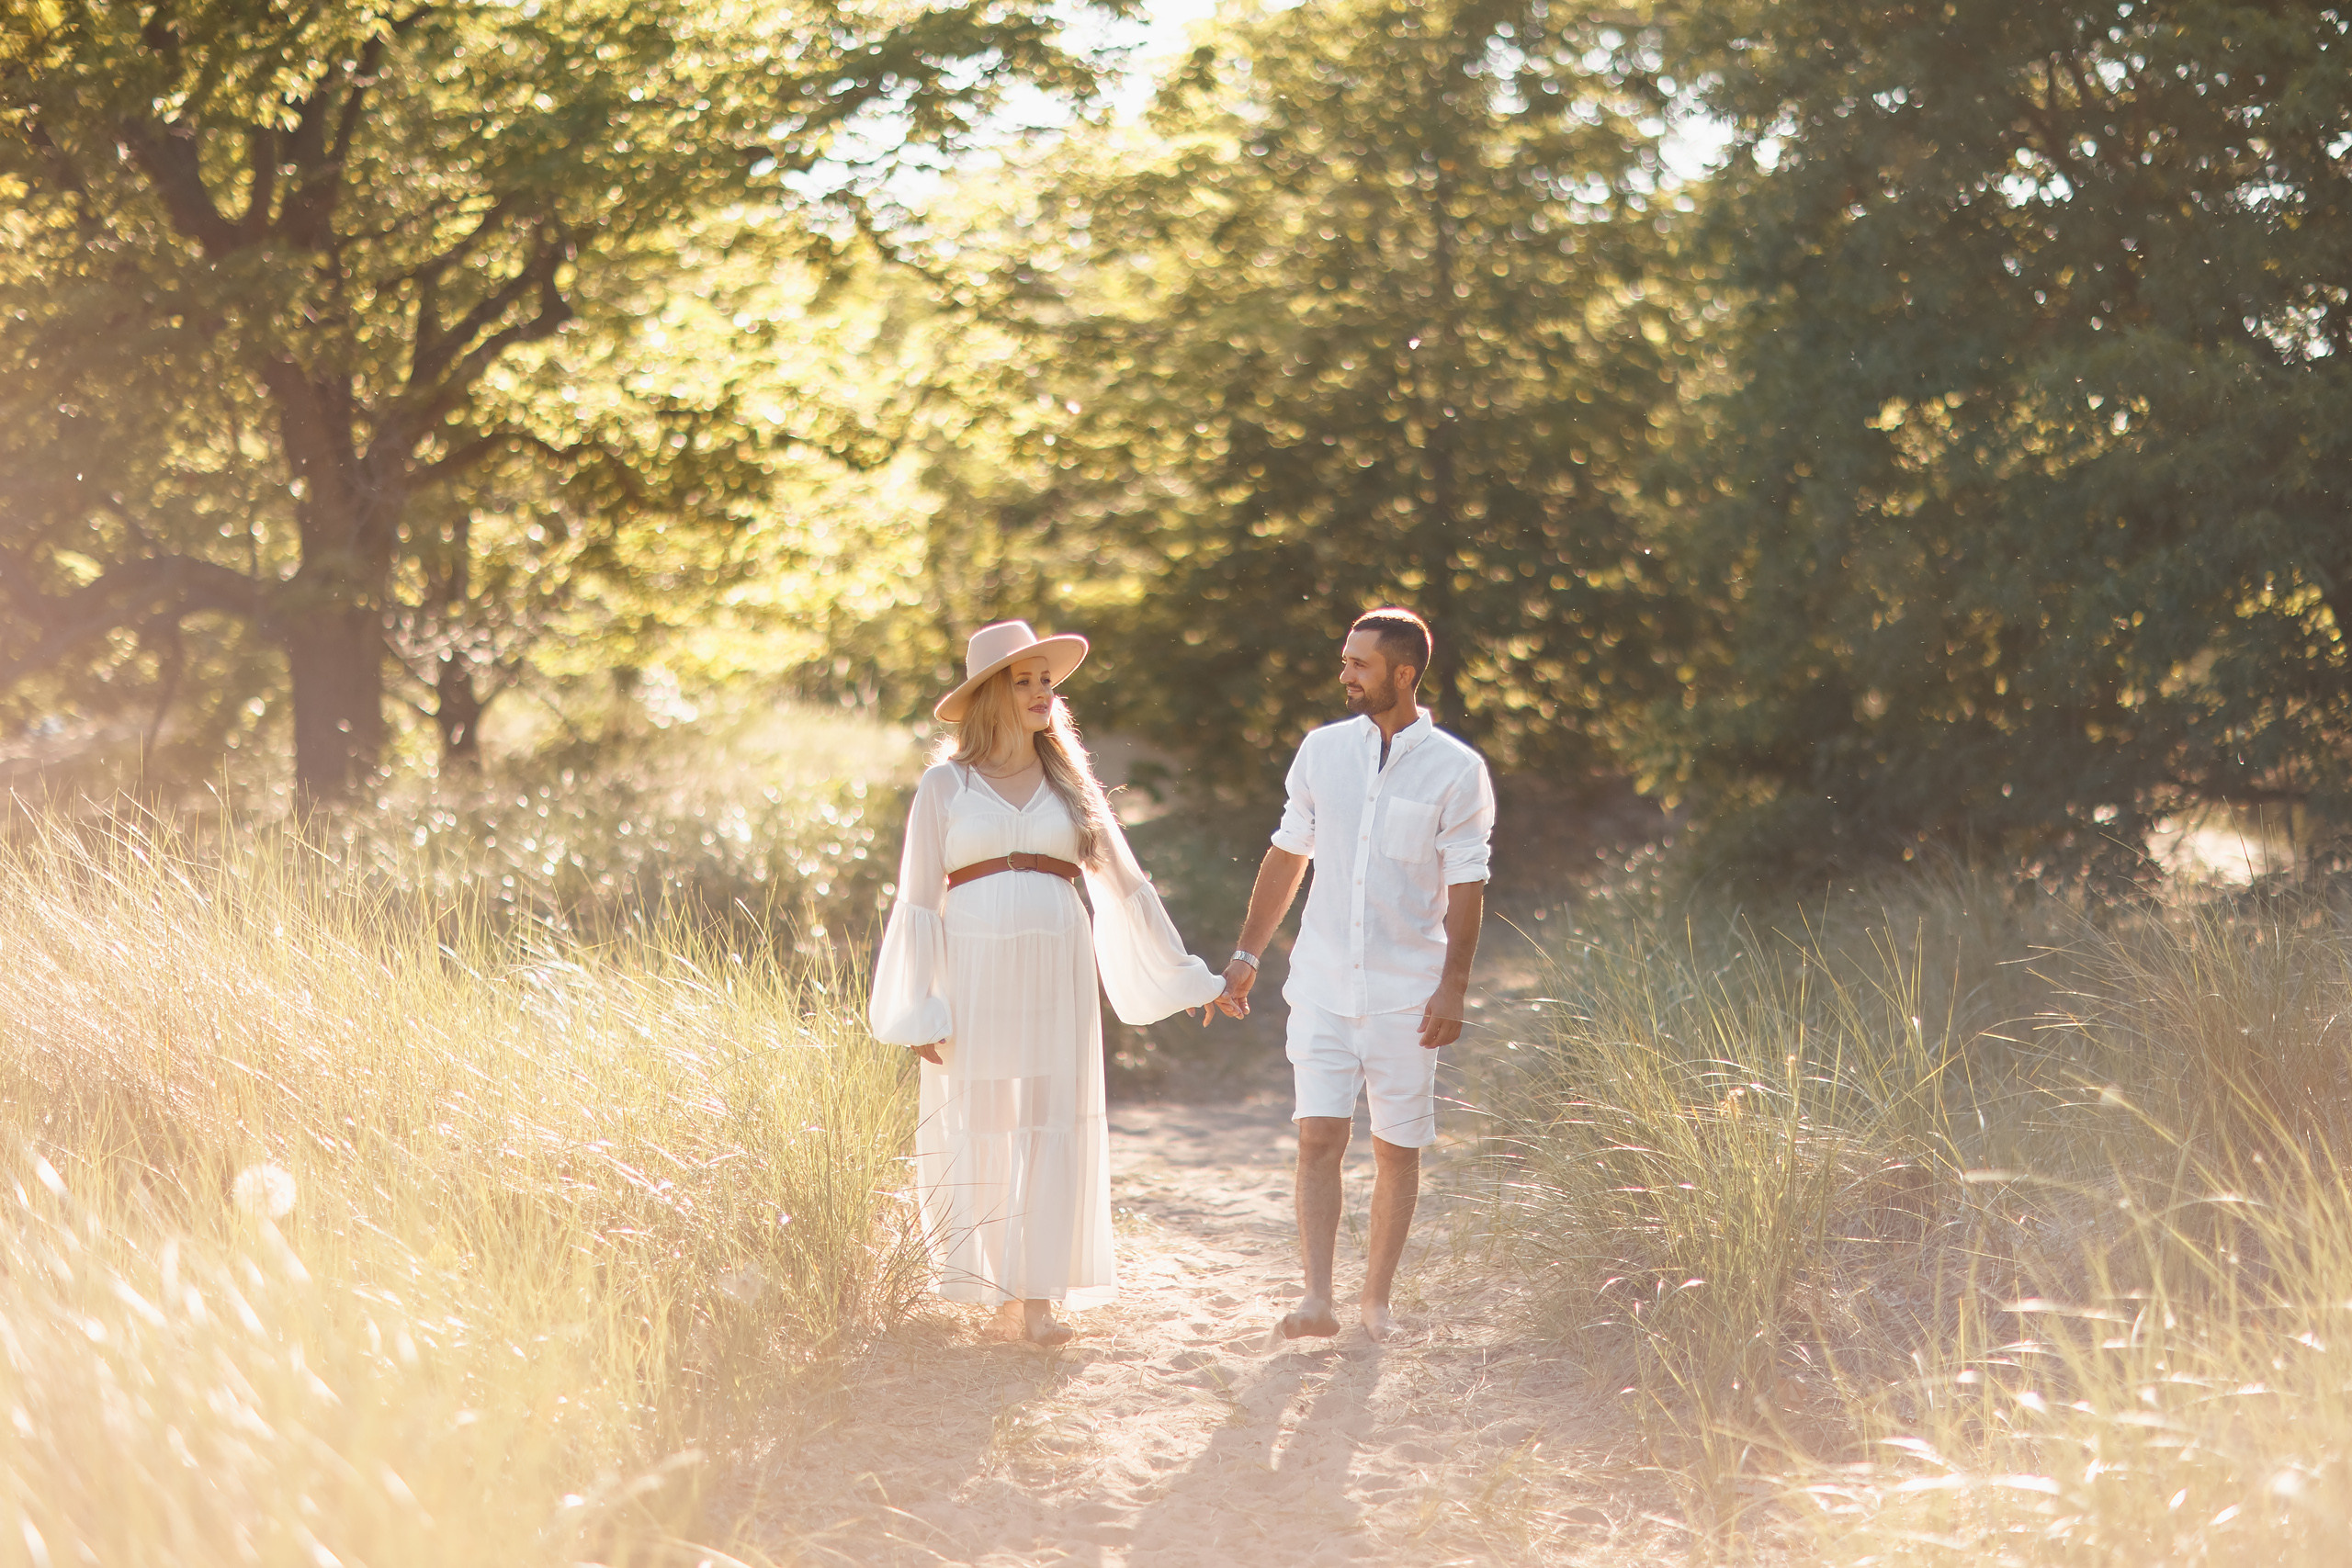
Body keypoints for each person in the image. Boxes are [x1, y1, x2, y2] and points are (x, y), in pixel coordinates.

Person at [868, 621, 1227, 1346]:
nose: (1041, 693)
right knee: (988, 1120)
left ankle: (1034, 1300)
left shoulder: (1069, 781)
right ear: (990, 693)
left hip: (1056, 967)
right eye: (1024, 680)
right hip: (973, 974)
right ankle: (996, 1288)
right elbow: (917, 902)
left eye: (1047, 682)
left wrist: (1192, 978)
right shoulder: (946, 785)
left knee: (1049, 1120)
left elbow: (1124, 886)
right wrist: (919, 1008)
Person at [1216, 607, 1495, 1343]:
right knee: (1317, 1137)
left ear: (1403, 674)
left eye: (1359, 664)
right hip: (1321, 985)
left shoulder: (1458, 770)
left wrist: (1454, 985)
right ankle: (1316, 1297)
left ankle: (1376, 1302)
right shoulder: (1320, 751)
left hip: (1409, 992)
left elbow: (1468, 883)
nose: (1344, 675)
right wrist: (1245, 955)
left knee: (1396, 1148)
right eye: (1345, 661)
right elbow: (1287, 853)